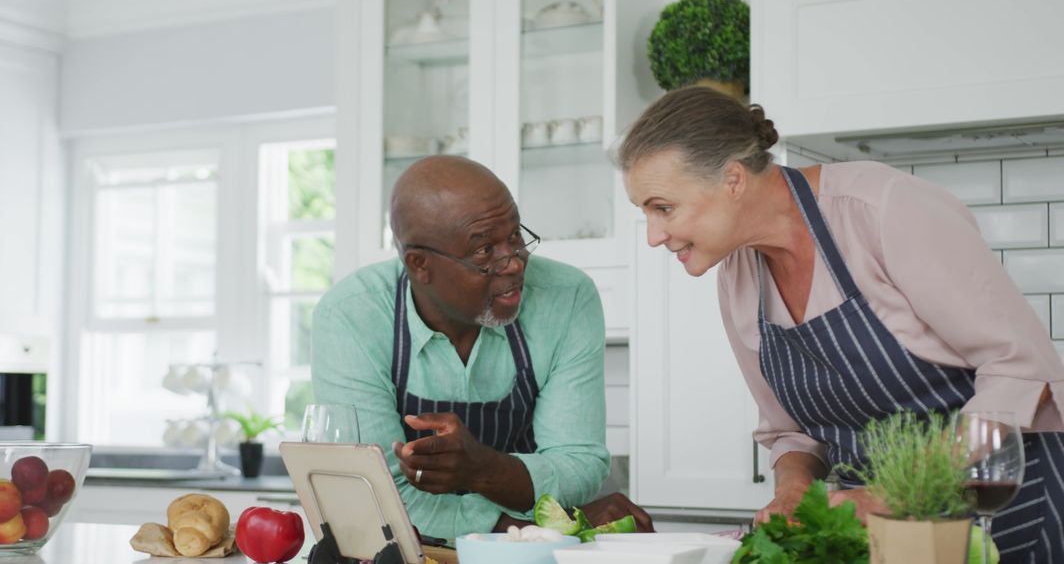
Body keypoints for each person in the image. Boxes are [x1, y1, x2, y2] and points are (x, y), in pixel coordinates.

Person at [617, 86, 1064, 562]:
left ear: (732, 179)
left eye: (663, 208)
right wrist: (792, 494)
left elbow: (1019, 369)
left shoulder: (881, 208)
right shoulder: (738, 276)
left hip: (1003, 508)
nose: (654, 236)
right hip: (871, 530)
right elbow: (791, 433)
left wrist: (889, 495)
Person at [311, 156, 653, 540]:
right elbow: (370, 493)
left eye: (514, 237)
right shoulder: (352, 316)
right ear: (419, 264)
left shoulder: (567, 297)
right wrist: (513, 525)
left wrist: (483, 469)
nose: (513, 263)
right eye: (484, 250)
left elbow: (581, 465)